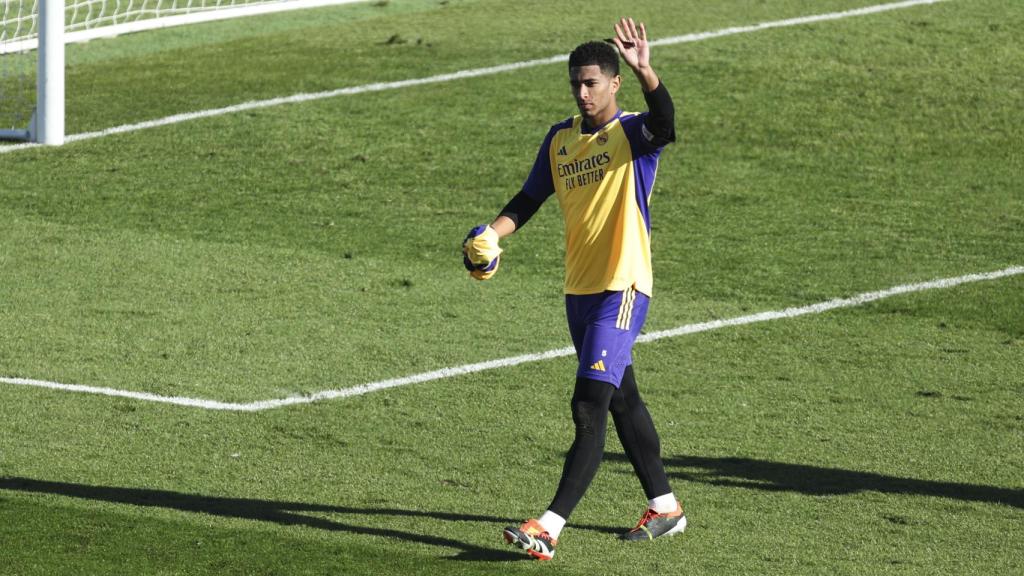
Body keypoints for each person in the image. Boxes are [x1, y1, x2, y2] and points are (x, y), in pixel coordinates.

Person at [462, 17, 684, 561]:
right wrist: (491, 235)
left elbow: (668, 123)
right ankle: (666, 507)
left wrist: (648, 70)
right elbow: (529, 199)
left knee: (588, 405)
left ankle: (548, 527)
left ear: (614, 83)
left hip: (623, 286)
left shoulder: (633, 134)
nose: (583, 94)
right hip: (579, 293)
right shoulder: (559, 140)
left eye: (592, 83)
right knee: (622, 399)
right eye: (576, 85)